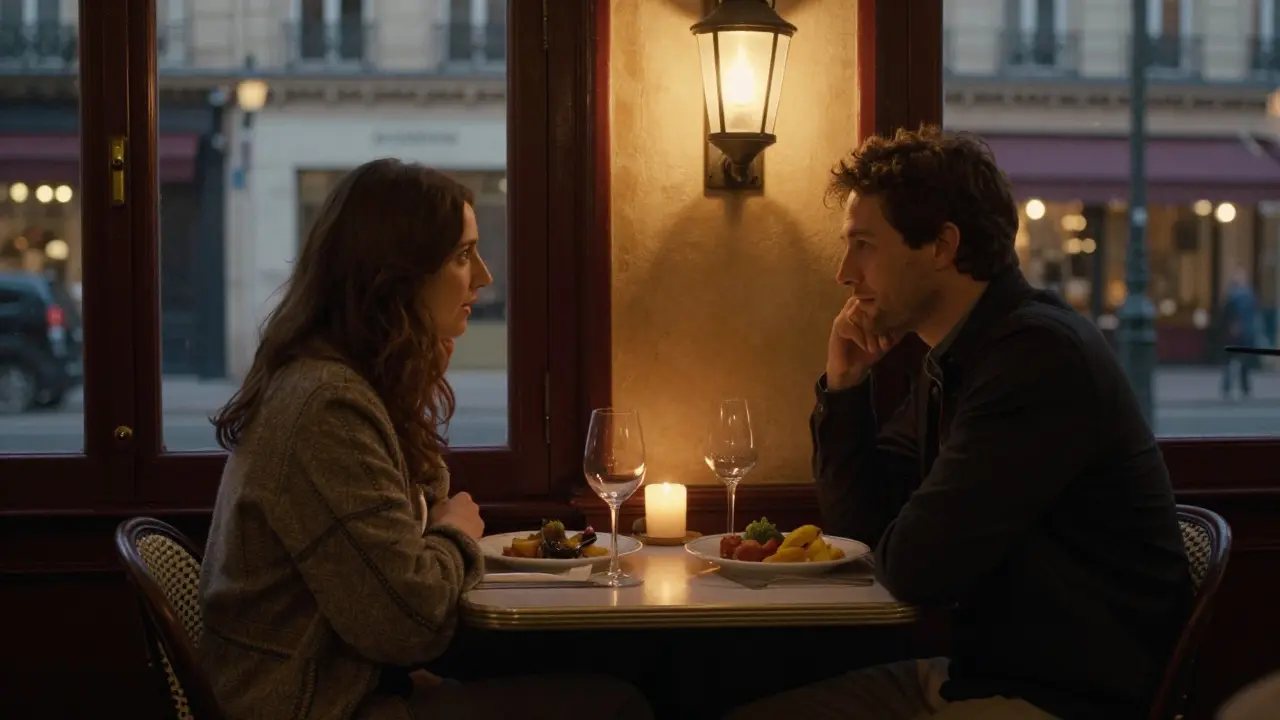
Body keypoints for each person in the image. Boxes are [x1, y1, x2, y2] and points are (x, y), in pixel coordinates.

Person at [727, 127, 1192, 720]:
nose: (845, 272)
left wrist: (896, 533)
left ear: (943, 245)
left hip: (1060, 701)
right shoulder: (956, 356)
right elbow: (863, 529)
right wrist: (845, 388)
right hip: (985, 677)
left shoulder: (1034, 359)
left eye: (864, 245)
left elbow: (914, 569)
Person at [199, 159, 652, 720]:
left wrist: (410, 386)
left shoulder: (336, 384)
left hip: (348, 687)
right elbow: (410, 622)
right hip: (314, 705)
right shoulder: (327, 406)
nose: (484, 275)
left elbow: (405, 526)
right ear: (397, 275)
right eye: (463, 255)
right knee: (619, 704)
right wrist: (455, 532)